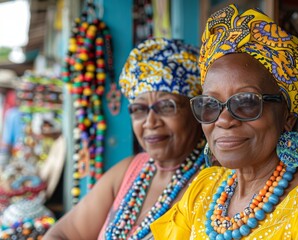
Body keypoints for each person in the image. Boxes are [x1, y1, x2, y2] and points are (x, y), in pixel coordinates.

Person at [150, 5, 298, 240]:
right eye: (210, 104)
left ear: (287, 117)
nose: (224, 120)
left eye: (247, 102)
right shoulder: (203, 190)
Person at [44, 38, 205, 240]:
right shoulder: (130, 171)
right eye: (139, 109)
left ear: (196, 110)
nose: (150, 122)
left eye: (166, 106)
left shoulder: (212, 182)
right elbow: (61, 234)